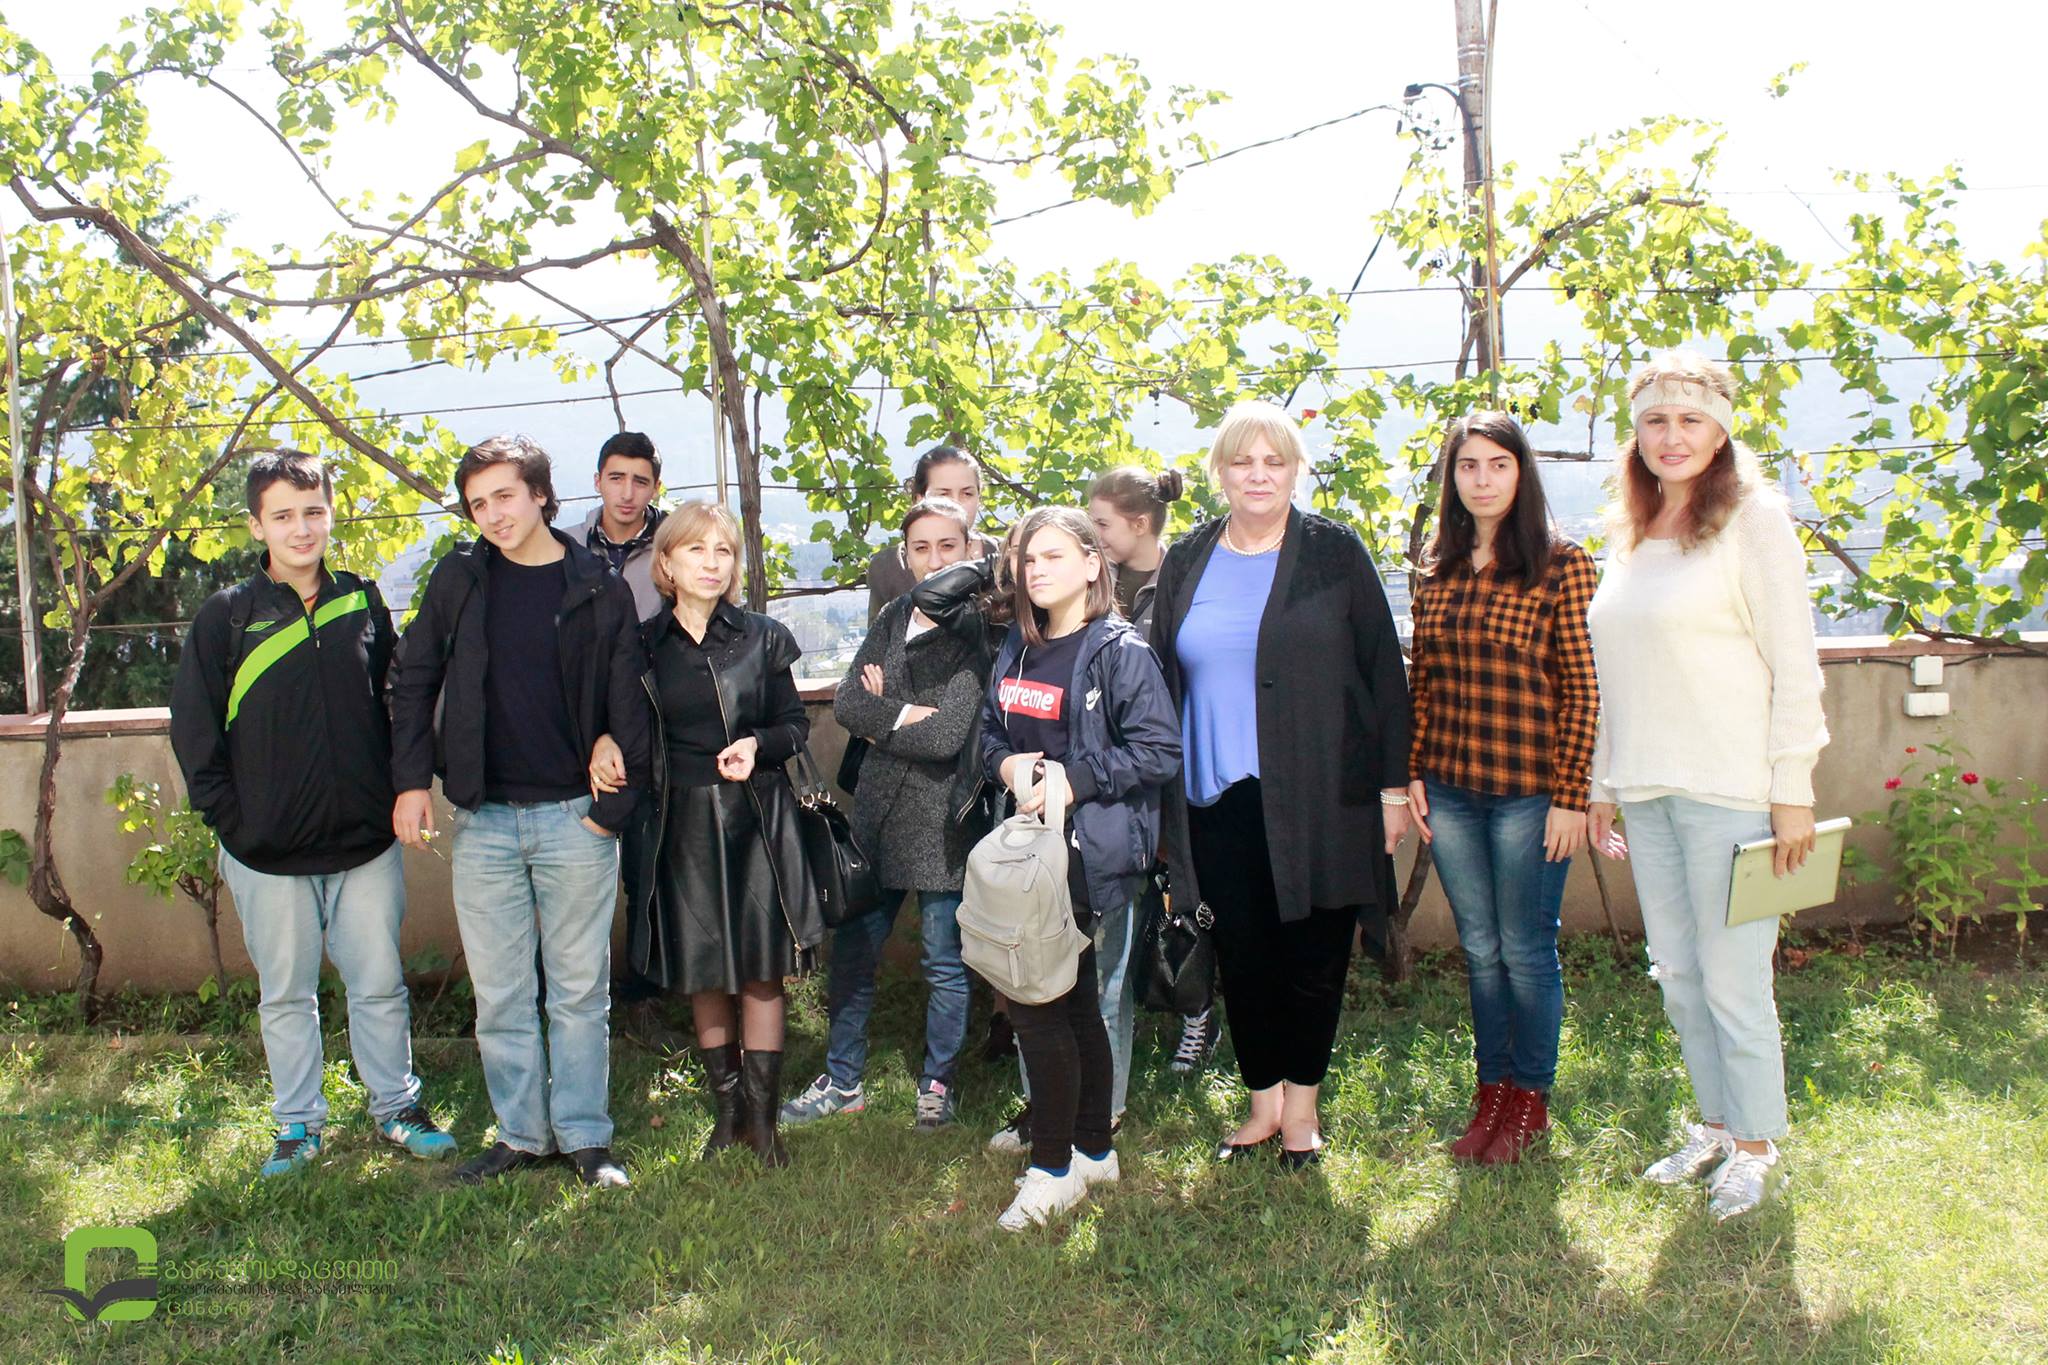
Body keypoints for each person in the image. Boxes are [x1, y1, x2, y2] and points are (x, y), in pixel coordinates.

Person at [1587, 351, 1827, 1223]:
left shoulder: (1754, 521)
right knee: (1680, 975)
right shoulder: (1633, 532)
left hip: (1732, 791)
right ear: (1637, 434)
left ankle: (1757, 1148)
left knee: (1733, 980)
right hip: (1647, 790)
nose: (1672, 435)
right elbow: (1615, 674)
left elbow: (1794, 664)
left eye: (1691, 419)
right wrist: (1603, 783)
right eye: (1656, 419)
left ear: (1720, 432)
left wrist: (1791, 788)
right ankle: (1717, 1125)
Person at [171, 450, 456, 1178]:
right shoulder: (227, 616)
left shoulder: (360, 600)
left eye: (313, 512)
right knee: (287, 995)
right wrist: (234, 822)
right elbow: (195, 731)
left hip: (364, 843)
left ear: (331, 515)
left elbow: (400, 705)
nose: (301, 529)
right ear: (256, 525)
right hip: (266, 851)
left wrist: (404, 788)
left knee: (379, 984)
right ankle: (298, 1126)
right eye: (283, 516)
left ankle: (397, 1108)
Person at [1151, 400, 1413, 1168]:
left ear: (1297, 471)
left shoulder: (1333, 552)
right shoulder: (1188, 559)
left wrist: (1393, 790)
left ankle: (1303, 1111)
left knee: (1313, 954)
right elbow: (1158, 675)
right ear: (1220, 472)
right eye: (1243, 461)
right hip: (1216, 798)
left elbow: (1385, 674)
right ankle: (1263, 1102)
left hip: (1324, 796)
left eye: (1275, 461)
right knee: (1245, 954)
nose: (1259, 475)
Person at [390, 434, 651, 1189]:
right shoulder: (460, 580)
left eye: (505, 495)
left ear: (540, 494)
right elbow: (414, 677)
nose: (493, 514)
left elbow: (629, 700)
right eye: (478, 504)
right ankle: (521, 1135)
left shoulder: (595, 584)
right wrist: (411, 783)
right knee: (502, 993)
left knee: (578, 991)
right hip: (485, 820)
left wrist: (611, 812)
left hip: (575, 816)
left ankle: (585, 1137)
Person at [597, 501, 823, 1168]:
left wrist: (757, 744)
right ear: (666, 563)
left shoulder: (763, 636)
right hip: (679, 826)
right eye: (696, 549)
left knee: (760, 972)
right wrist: (605, 739)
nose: (712, 562)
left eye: (723, 550)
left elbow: (795, 724)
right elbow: (618, 720)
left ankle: (764, 1123)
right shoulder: (642, 644)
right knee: (704, 972)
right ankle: (728, 1117)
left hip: (757, 823)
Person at [1404, 413, 1599, 1165]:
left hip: (1529, 793)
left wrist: (1571, 795)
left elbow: (1582, 687)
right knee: (1481, 949)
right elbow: (1424, 681)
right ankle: (1491, 1092)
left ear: (1522, 473)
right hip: (1451, 789)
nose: (1482, 480)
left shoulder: (1562, 563)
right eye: (1468, 466)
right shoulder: (1437, 565)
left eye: (1498, 465)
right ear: (1451, 478)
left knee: (1525, 948)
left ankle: (1530, 1099)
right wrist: (1413, 770)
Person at [977, 506, 1180, 1230]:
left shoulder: (1119, 650)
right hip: (1028, 853)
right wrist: (1006, 764)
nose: (1036, 571)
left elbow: (1159, 750)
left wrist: (1075, 779)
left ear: (1094, 564)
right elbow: (990, 729)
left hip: (1087, 857)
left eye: (1054, 556)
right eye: (1028, 559)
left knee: (1040, 1009)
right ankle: (1093, 1148)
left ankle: (1052, 1168)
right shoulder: (1019, 644)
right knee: (1071, 1004)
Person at [782, 497, 985, 1132]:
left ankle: (937, 1085)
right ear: (905, 555)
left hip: (942, 821)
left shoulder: (979, 630)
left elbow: (948, 737)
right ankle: (843, 1081)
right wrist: (904, 714)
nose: (935, 560)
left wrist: (884, 715)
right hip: (876, 813)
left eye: (947, 546)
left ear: (969, 549)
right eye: (921, 548)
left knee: (944, 962)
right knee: (854, 954)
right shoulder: (895, 614)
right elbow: (847, 703)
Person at [1089, 466, 1217, 1081]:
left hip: (1177, 763)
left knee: (1184, 894)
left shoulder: (1186, 580)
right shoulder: (1096, 580)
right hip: (1112, 767)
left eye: (1102, 523)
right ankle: (1130, 1007)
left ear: (1140, 523)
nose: (1094, 535)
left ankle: (1196, 1010)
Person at [865, 445, 1000, 623]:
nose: (957, 504)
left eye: (967, 494)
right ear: (919, 499)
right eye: (943, 494)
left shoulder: (1006, 556)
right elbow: (878, 636)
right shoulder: (888, 567)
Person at [578, 430, 668, 620]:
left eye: (640, 482)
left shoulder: (675, 548)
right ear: (598, 482)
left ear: (656, 488)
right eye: (616, 479)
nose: (627, 494)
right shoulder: (567, 546)